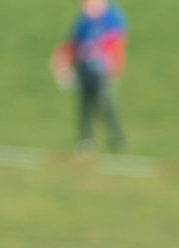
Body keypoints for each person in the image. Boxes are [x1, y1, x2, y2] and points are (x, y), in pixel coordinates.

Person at [51, 0, 126, 152]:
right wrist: (64, 63)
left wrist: (113, 63)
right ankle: (86, 140)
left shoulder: (110, 15)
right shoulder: (82, 22)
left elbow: (116, 40)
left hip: (102, 69)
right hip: (85, 69)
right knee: (85, 106)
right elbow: (74, 44)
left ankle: (116, 137)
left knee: (105, 104)